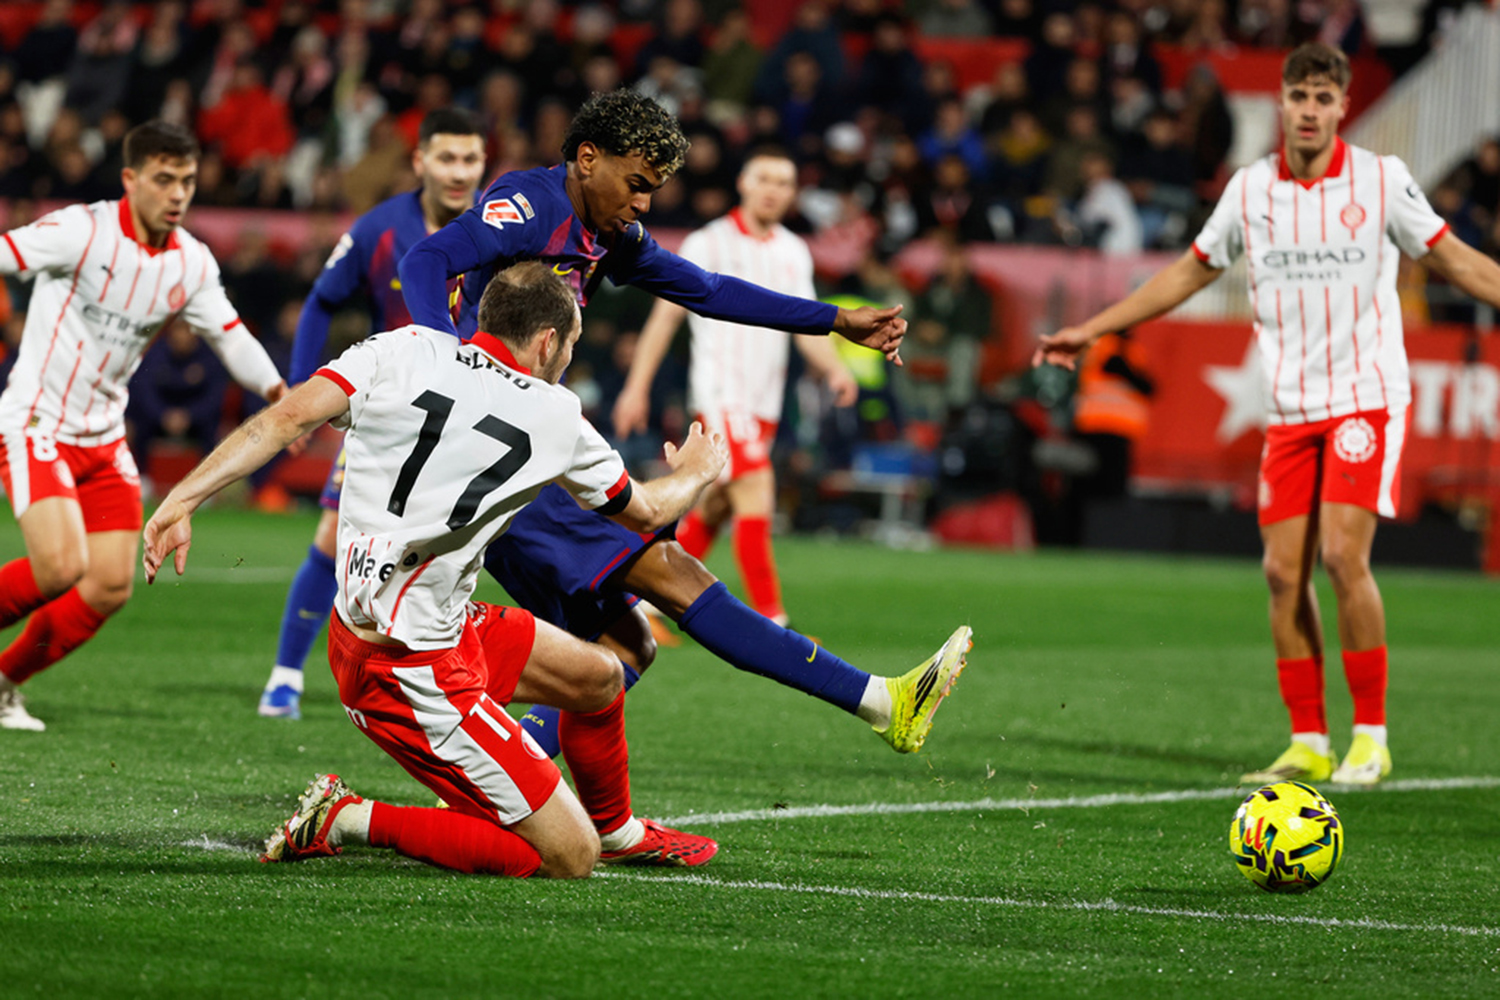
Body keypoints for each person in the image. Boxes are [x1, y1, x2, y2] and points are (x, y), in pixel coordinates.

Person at [397, 89, 969, 755]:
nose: (642, 205)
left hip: (521, 452)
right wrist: (448, 370)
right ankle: (882, 702)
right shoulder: (529, 204)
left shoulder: (608, 235)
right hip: (500, 455)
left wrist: (837, 320)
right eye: (635, 185)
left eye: (653, 191)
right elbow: (425, 260)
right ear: (587, 159)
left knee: (624, 645)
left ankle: (491, 784)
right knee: (671, 573)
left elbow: (709, 291)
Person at [145, 263, 724, 876]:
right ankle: (346, 816)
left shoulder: (402, 347)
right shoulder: (556, 414)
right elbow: (647, 509)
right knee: (566, 858)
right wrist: (696, 470)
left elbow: (283, 420)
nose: (569, 358)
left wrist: (181, 499)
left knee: (600, 677)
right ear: (549, 342)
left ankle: (618, 830)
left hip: (426, 625)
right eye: (571, 344)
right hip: (405, 667)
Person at [1036, 43, 1500, 786]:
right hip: (1290, 408)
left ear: (1343, 107)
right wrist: (1094, 327)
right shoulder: (1251, 191)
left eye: (1324, 98)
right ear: (1281, 104)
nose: (1310, 110)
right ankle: (1309, 739)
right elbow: (1191, 269)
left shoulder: (1381, 181)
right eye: (1299, 97)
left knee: (1344, 558)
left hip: (1364, 397)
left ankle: (1371, 738)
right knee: (1283, 574)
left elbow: (1459, 263)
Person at [0, 120, 286, 732]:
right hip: (37, 422)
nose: (178, 193)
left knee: (107, 586)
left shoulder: (190, 262)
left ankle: (4, 683)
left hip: (104, 437)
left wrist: (279, 391)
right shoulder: (81, 230)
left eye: (185, 179)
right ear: (131, 179)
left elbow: (228, 335)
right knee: (57, 567)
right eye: (163, 179)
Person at [258, 108, 488, 719]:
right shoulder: (380, 229)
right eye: (446, 157)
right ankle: (284, 676)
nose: (459, 171)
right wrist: (301, 391)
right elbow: (321, 302)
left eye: (470, 159)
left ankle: (455, 683)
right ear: (419, 162)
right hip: (391, 421)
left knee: (474, 554)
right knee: (333, 538)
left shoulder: (502, 227)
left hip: (473, 420)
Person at [613, 148, 859, 627]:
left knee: (718, 504)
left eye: (784, 182)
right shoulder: (709, 242)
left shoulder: (793, 249)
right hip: (721, 396)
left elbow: (807, 323)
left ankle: (643, 607)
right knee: (755, 487)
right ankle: (774, 620)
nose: (773, 189)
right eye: (764, 178)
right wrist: (636, 387)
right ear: (743, 183)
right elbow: (666, 318)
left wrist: (836, 369)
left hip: (763, 402)